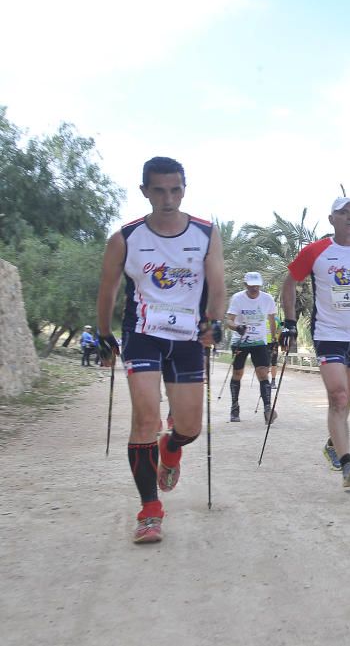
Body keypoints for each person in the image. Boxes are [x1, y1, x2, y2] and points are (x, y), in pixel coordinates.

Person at [95, 156, 225, 544]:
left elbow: (217, 285)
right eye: (159, 190)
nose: (168, 198)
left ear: (184, 189)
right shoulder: (126, 237)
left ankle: (171, 449)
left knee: (188, 428)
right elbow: (108, 289)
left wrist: (213, 322)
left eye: (175, 189)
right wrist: (105, 334)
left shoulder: (205, 233)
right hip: (143, 334)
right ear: (144, 191)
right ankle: (150, 511)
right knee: (146, 420)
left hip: (186, 338)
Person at [280, 196, 350, 486]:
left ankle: (333, 445)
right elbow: (290, 281)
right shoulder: (317, 251)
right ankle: (347, 463)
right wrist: (289, 322)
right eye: (343, 212)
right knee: (339, 396)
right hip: (328, 334)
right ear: (332, 219)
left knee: (343, 404)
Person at [225, 271, 279, 423]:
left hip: (259, 342)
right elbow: (229, 320)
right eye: (251, 286)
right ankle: (234, 407)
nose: (254, 289)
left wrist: (274, 339)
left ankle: (268, 409)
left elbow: (272, 319)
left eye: (257, 286)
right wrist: (237, 327)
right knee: (237, 374)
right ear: (245, 285)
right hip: (240, 341)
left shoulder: (267, 299)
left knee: (263, 374)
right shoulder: (237, 298)